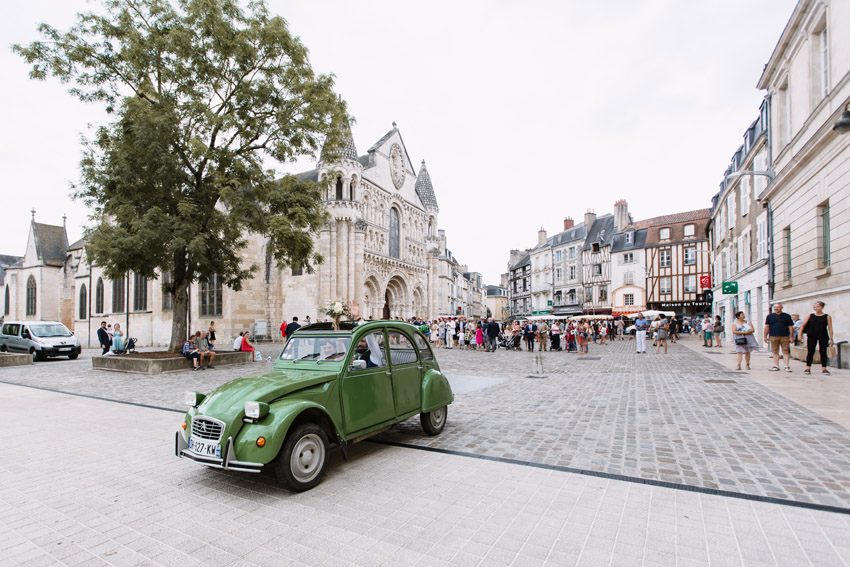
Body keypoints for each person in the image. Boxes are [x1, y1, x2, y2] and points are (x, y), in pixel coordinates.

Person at [801, 301, 835, 375]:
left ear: (822, 307)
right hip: (812, 335)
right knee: (810, 351)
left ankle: (824, 368)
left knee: (823, 352)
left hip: (823, 335)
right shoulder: (811, 315)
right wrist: (800, 335)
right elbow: (803, 325)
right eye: (814, 307)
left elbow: (830, 327)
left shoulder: (827, 316)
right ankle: (808, 368)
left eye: (817, 307)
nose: (816, 308)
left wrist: (831, 338)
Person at [764, 303, 794, 372]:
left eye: (778, 307)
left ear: (781, 308)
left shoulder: (787, 316)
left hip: (785, 336)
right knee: (775, 351)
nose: (776, 308)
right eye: (775, 307)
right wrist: (765, 336)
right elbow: (767, 326)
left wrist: (791, 336)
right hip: (773, 336)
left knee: (785, 351)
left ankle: (786, 366)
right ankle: (776, 365)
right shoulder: (770, 316)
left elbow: (790, 326)